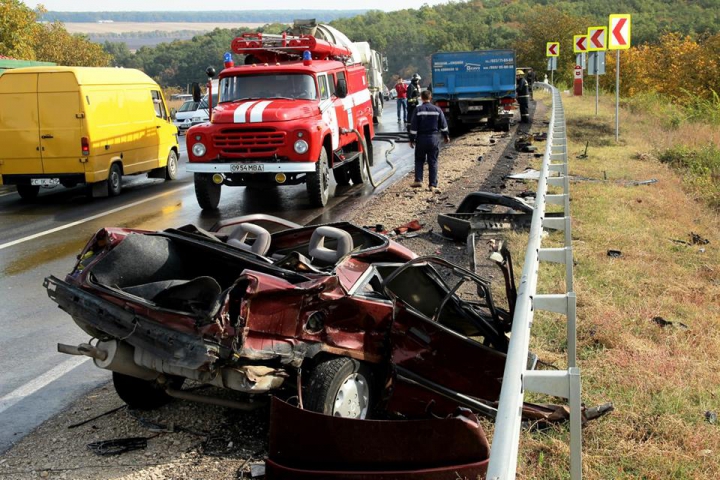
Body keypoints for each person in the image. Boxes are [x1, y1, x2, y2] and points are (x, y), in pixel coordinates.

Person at [409, 89, 450, 193]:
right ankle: (432, 185)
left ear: (421, 98)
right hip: (433, 138)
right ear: (430, 97)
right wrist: (446, 136)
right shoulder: (437, 110)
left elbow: (413, 127)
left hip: (421, 138)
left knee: (419, 159)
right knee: (433, 161)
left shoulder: (418, 110)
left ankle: (418, 180)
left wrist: (411, 139)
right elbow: (444, 125)